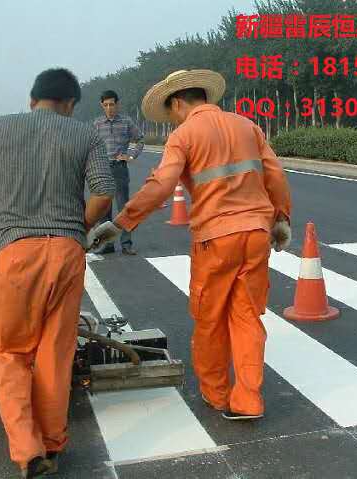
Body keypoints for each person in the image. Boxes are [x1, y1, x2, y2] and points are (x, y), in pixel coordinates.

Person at [0, 68, 115, 478]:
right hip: (66, 253)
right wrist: (78, 228)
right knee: (55, 352)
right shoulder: (84, 134)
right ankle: (52, 442)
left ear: (33, 100)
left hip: (16, 252)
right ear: (70, 104)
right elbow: (103, 193)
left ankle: (29, 451)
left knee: (8, 350)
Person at [90, 69, 292, 421]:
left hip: (216, 238)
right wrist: (282, 218)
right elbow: (275, 174)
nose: (171, 119)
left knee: (209, 318)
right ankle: (249, 400)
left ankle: (216, 394)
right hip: (256, 233)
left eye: (170, 113)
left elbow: (160, 186)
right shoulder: (248, 126)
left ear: (178, 103)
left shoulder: (184, 135)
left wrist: (121, 223)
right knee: (247, 316)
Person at [92, 89, 144, 255]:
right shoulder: (97, 124)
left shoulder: (126, 122)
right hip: (103, 170)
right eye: (106, 105)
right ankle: (107, 245)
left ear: (117, 104)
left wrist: (131, 156)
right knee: (104, 209)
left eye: (112, 104)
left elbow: (140, 139)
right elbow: (91, 146)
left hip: (119, 168)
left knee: (124, 208)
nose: (109, 108)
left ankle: (126, 244)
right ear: (102, 105)